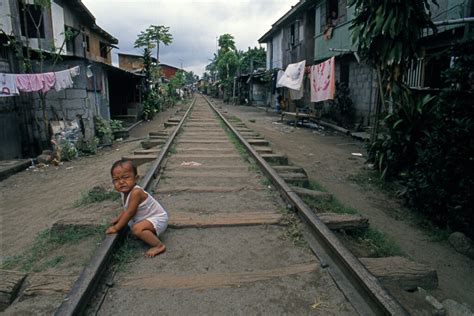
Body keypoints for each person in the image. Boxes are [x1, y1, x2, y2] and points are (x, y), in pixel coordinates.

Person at [106, 159, 168, 257]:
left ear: (136, 178)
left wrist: (116, 227)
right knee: (135, 228)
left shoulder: (136, 192)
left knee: (137, 229)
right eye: (116, 180)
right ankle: (146, 233)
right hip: (147, 219)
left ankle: (158, 246)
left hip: (158, 218)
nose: (121, 182)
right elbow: (126, 208)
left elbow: (130, 212)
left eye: (125, 177)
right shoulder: (124, 192)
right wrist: (118, 218)